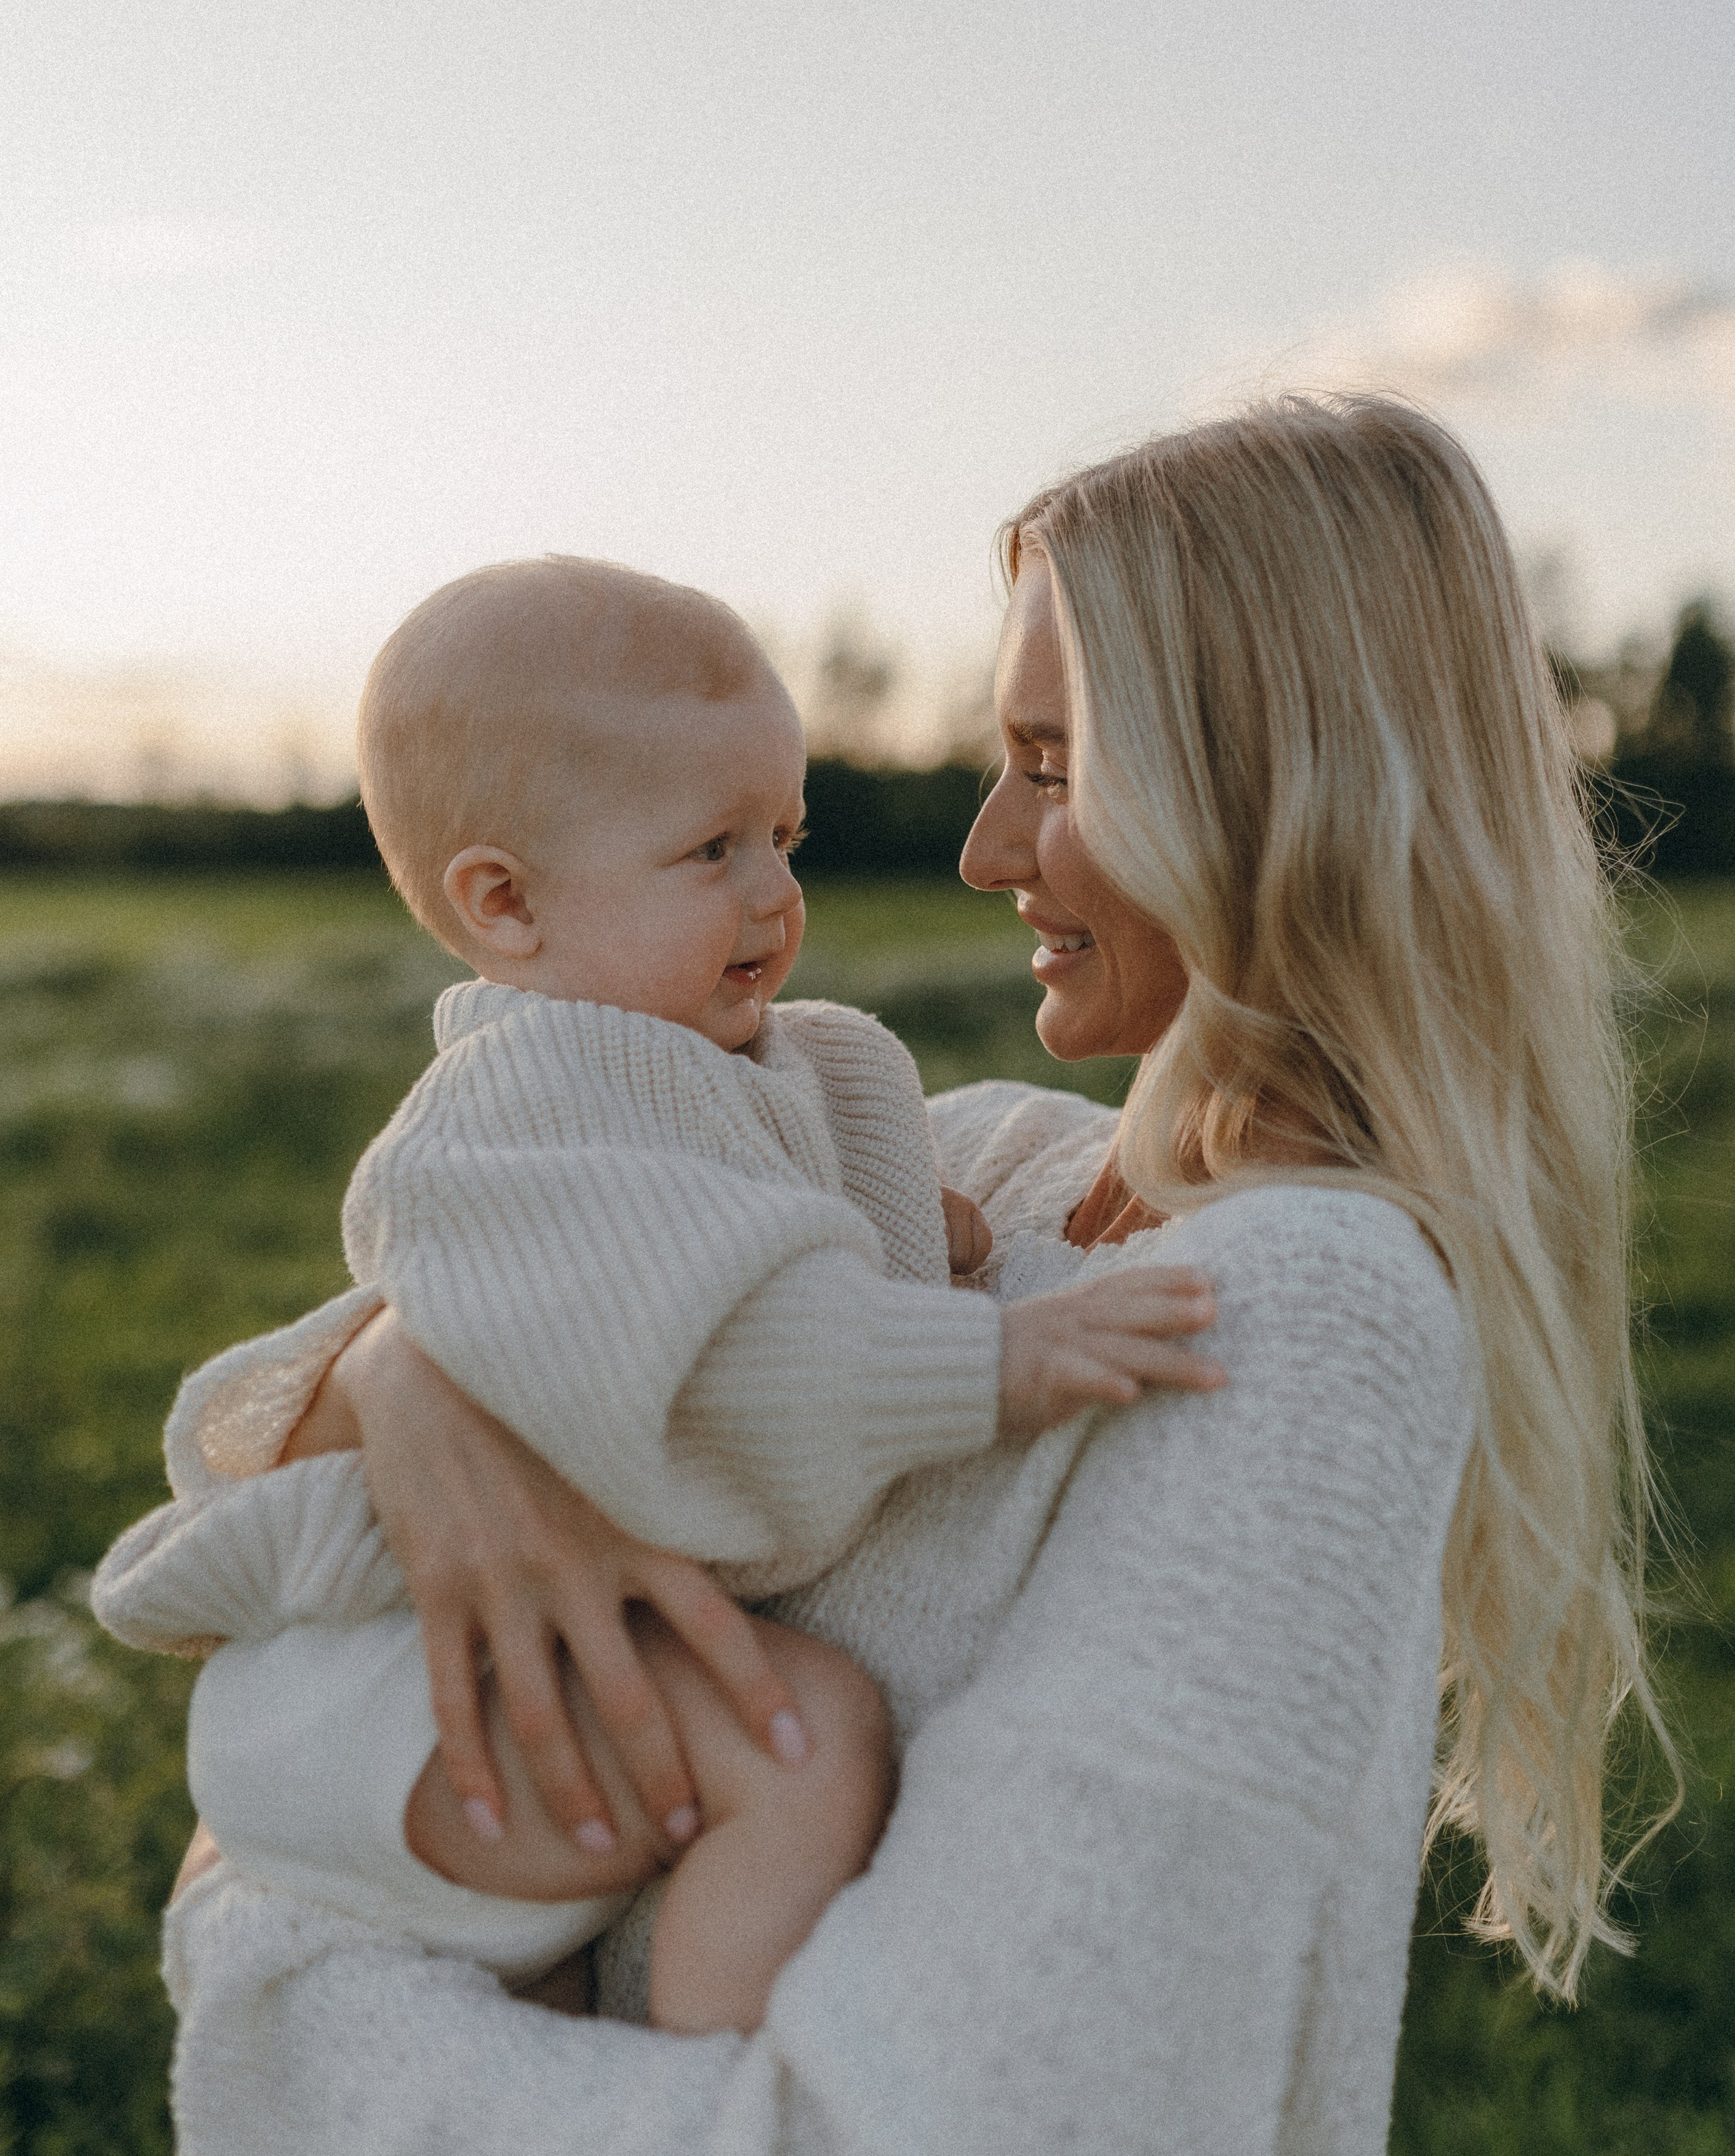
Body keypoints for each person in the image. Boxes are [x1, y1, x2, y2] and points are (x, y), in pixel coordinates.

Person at [144, 398, 1671, 2156]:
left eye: (1051, 762)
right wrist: (412, 1378)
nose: (979, 843)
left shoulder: (1303, 1320)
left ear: (1270, 793)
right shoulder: (980, 1170)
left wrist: (274, 1988)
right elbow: (477, 1317)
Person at [92, 556, 1219, 2033]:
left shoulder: (734, 1061)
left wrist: (912, 1230)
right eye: (709, 850)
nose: (774, 892)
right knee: (807, 1739)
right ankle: (723, 2101)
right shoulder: (533, 1099)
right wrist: (997, 1354)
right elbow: (730, 1351)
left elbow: (781, 1232)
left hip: (524, 1674)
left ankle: (575, 2042)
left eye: (784, 837)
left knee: (509, 2021)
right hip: (394, 1694)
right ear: (505, 904)